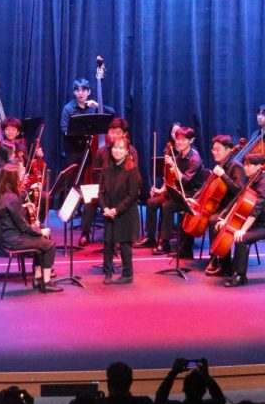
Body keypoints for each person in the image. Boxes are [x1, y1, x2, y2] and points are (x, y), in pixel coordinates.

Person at [213, 152, 265, 287]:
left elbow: (256, 210)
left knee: (241, 238)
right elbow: (239, 201)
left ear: (259, 167)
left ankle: (240, 276)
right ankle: (226, 266)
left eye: (249, 165)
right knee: (220, 226)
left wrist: (243, 230)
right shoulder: (251, 180)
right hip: (255, 223)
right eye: (245, 164)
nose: (245, 168)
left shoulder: (264, 184)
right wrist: (226, 220)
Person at [0, 162, 61, 293]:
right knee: (49, 245)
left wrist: (23, 208)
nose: (22, 177)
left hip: (6, 235)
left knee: (40, 241)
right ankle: (46, 282)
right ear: (13, 178)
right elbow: (23, 226)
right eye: (19, 175)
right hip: (13, 239)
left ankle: (37, 278)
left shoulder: (1, 194)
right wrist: (40, 230)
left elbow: (10, 214)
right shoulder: (12, 198)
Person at [135, 125, 202, 256]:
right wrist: (161, 190)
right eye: (178, 139)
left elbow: (184, 181)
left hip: (191, 193)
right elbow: (170, 179)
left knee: (168, 206)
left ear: (191, 141)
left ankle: (164, 242)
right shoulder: (179, 157)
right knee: (151, 202)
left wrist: (173, 165)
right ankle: (150, 237)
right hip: (177, 191)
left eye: (184, 139)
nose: (180, 142)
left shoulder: (195, 159)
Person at [78, 117, 138, 246]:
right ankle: (85, 233)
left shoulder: (131, 151)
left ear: (124, 134)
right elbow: (96, 174)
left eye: (118, 132)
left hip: (122, 194)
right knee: (90, 202)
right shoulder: (102, 151)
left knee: (120, 202)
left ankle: (121, 235)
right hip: (106, 192)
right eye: (111, 132)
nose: (114, 135)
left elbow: (133, 179)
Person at [195, 135, 248, 277]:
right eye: (213, 149)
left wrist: (223, 175)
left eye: (218, 149)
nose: (215, 152)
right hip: (222, 205)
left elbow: (240, 190)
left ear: (229, 150)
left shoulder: (235, 165)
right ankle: (215, 258)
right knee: (205, 216)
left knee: (213, 220)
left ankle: (225, 264)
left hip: (234, 207)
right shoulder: (222, 165)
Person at [98, 137, 141, 284]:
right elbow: (101, 191)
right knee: (108, 242)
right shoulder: (106, 166)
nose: (117, 150)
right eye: (115, 147)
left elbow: (132, 195)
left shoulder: (132, 168)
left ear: (127, 151)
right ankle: (108, 272)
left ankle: (128, 274)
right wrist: (105, 207)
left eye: (121, 148)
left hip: (125, 211)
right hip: (109, 209)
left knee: (124, 244)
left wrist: (116, 210)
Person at [59, 76, 111, 174]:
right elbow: (64, 129)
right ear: (74, 92)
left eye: (83, 90)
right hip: (72, 151)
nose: (80, 93)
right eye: (77, 90)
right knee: (71, 181)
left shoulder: (92, 107)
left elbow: (112, 113)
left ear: (89, 92)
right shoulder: (68, 109)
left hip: (88, 150)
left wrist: (98, 106)